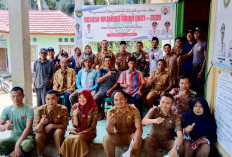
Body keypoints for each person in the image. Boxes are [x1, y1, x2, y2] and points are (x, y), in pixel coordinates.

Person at [103, 91, 143, 157]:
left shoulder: (134, 110)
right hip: (118, 136)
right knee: (106, 139)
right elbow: (110, 132)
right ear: (114, 101)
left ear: (125, 99)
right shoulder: (111, 112)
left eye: (121, 99)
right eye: (116, 100)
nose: (119, 102)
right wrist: (110, 124)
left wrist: (136, 141)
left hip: (130, 135)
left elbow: (139, 128)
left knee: (138, 139)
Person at [60, 89, 98, 157]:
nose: (81, 99)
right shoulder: (75, 107)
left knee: (78, 139)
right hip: (77, 130)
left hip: (89, 132)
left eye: (84, 97)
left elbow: (93, 126)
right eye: (80, 97)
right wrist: (74, 115)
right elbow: (75, 125)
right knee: (68, 139)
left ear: (88, 97)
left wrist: (79, 133)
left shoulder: (94, 108)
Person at [0, 87, 35, 157]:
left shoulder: (29, 109)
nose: (16, 98)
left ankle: (13, 154)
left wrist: (17, 143)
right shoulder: (7, 110)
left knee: (26, 145)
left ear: (23, 96)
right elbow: (1, 124)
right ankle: (11, 154)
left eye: (18, 95)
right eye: (13, 96)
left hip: (27, 137)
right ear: (10, 97)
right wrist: (4, 127)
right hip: (14, 137)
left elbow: (28, 128)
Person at [34, 90, 69, 157]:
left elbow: (64, 126)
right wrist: (41, 122)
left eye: (53, 98)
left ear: (57, 99)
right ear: (45, 99)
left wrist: (52, 126)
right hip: (45, 134)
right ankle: (40, 154)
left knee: (58, 132)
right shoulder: (40, 110)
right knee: (38, 135)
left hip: (58, 133)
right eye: (48, 99)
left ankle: (61, 154)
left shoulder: (63, 109)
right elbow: (36, 129)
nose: (50, 101)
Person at [180, 27, 207, 97]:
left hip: (199, 67)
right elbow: (188, 54)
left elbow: (205, 58)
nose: (196, 35)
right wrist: (180, 57)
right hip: (193, 68)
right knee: (193, 85)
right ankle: (193, 102)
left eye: (198, 33)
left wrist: (202, 70)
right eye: (195, 33)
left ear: (201, 34)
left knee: (199, 86)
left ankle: (199, 101)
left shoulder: (204, 43)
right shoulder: (195, 45)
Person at [94, 56, 119, 120]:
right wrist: (107, 75)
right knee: (95, 99)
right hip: (102, 90)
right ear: (104, 62)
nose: (107, 62)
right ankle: (101, 112)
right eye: (106, 61)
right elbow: (98, 80)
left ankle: (114, 114)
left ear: (111, 62)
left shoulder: (115, 71)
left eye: (109, 61)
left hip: (112, 89)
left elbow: (117, 83)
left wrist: (111, 90)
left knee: (115, 97)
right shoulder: (101, 70)